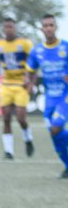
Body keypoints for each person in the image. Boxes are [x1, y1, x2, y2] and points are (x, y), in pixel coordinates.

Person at [26, 13, 68, 177]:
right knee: (54, 134)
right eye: (45, 26)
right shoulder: (36, 51)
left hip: (65, 96)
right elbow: (30, 71)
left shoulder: (65, 47)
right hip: (49, 98)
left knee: (56, 126)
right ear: (41, 29)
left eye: (51, 25)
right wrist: (28, 83)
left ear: (56, 27)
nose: (48, 28)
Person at [0, 17, 34, 160]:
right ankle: (8, 151)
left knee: (21, 118)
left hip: (21, 85)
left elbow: (33, 64)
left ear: (15, 28)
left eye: (11, 27)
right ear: (3, 29)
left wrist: (30, 81)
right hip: (6, 85)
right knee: (6, 118)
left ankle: (27, 138)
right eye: (6, 27)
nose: (8, 29)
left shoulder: (25, 43)